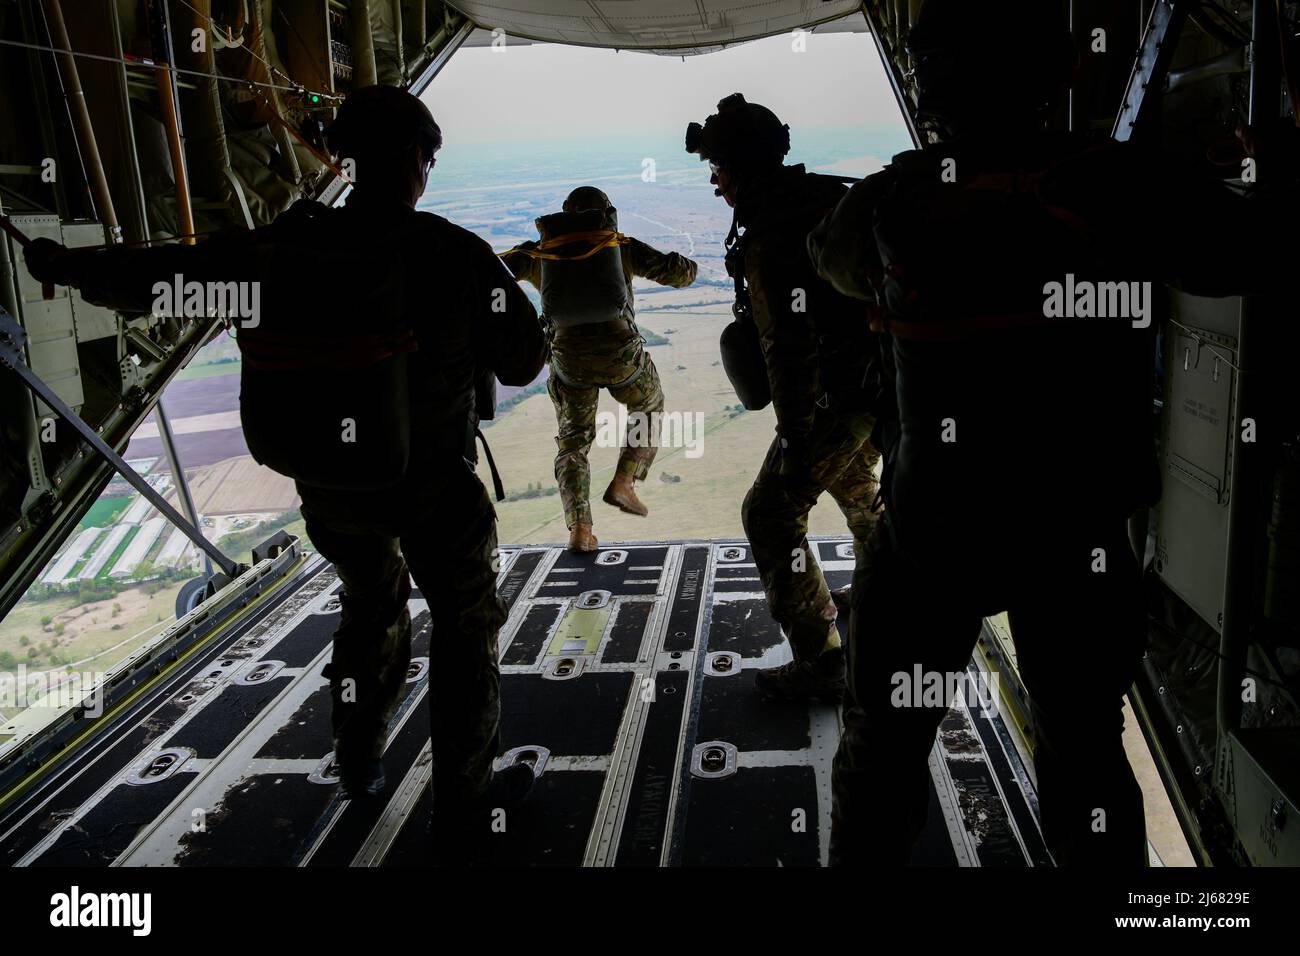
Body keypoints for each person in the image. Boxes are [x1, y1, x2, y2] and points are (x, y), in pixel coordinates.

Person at [809, 0, 1289, 865]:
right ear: (1060, 75)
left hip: (934, 530)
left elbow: (835, 267)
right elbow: (1246, 254)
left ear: (930, 89)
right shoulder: (1129, 187)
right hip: (1076, 538)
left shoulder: (885, 204)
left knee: (884, 748)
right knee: (1084, 754)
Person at [24, 86, 547, 846]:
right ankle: (463, 800)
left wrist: (63, 267)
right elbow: (527, 359)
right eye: (428, 158)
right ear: (412, 160)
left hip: (333, 489)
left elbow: (158, 279)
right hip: (433, 487)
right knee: (465, 632)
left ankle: (359, 758)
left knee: (369, 608)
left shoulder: (269, 254)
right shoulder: (448, 252)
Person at [685, 95, 884, 703]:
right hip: (878, 391)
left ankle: (823, 664)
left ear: (738, 169)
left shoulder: (774, 236)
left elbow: (788, 348)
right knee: (857, 488)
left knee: (770, 514)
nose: (716, 186)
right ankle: (882, 592)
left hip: (835, 399)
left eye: (716, 171)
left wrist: (796, 434)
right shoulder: (828, 198)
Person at [502, 186, 697, 552]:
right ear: (606, 213)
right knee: (649, 406)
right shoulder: (617, 245)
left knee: (573, 444)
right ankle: (625, 481)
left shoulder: (538, 252)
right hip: (621, 357)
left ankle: (579, 529)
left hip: (568, 362)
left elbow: (489, 273)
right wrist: (691, 264)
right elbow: (679, 274)